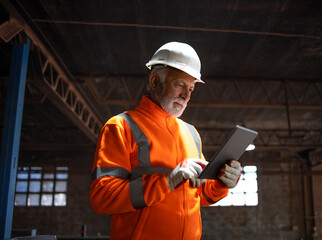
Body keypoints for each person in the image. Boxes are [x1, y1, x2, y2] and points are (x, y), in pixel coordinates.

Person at [89, 41, 242, 240]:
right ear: (155, 82)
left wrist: (222, 182)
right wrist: (167, 182)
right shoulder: (121, 126)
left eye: (191, 88)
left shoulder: (191, 133)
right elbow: (102, 198)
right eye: (179, 84)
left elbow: (200, 194)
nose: (186, 95)